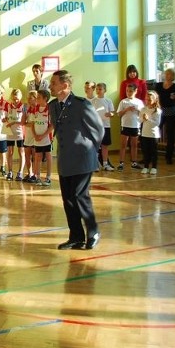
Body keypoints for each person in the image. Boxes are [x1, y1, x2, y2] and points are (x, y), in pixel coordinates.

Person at [48, 70, 103, 250]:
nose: (50, 86)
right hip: (65, 159)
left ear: (65, 85)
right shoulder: (53, 106)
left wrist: (91, 152)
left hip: (82, 158)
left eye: (54, 83)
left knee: (80, 196)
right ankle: (76, 237)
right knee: (68, 199)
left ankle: (93, 232)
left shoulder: (81, 105)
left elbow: (98, 130)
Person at [116, 84, 144, 171]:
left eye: (131, 91)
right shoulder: (123, 102)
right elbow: (119, 114)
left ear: (135, 91)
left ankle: (134, 162)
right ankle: (121, 163)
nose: (128, 93)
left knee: (134, 145)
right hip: (125, 125)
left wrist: (138, 110)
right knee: (123, 145)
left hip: (135, 125)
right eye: (127, 91)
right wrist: (126, 109)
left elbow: (143, 114)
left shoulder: (139, 102)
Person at [154, 69, 175, 164]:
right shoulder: (159, 85)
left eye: (170, 74)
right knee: (153, 131)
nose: (168, 76)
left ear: (173, 77)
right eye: (166, 74)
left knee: (170, 134)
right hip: (159, 111)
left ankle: (169, 157)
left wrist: (174, 97)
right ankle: (152, 154)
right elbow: (155, 97)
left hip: (170, 112)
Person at [31, 89, 52, 186]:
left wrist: (43, 135)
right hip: (37, 138)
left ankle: (48, 178)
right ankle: (38, 177)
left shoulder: (50, 109)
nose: (36, 99)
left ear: (45, 99)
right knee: (37, 157)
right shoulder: (35, 109)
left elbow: (52, 125)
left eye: (39, 97)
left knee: (48, 157)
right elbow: (32, 124)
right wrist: (35, 135)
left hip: (47, 138)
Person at [93, 83, 116, 171]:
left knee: (105, 145)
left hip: (106, 126)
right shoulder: (93, 100)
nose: (98, 91)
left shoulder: (108, 100)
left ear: (105, 90)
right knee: (95, 146)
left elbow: (112, 113)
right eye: (97, 89)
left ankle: (105, 164)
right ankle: (95, 164)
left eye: (100, 89)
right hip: (96, 126)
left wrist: (110, 114)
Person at [5, 88, 26, 181]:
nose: (15, 101)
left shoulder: (23, 106)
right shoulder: (8, 106)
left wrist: (13, 122)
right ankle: (9, 172)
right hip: (10, 133)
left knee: (21, 152)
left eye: (17, 99)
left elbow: (23, 121)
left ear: (20, 97)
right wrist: (5, 120)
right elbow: (5, 117)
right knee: (10, 152)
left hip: (20, 133)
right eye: (13, 99)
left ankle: (20, 172)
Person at [139, 91, 162, 175]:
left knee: (153, 151)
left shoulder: (157, 111)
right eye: (146, 99)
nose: (147, 101)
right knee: (145, 151)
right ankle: (145, 166)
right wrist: (143, 118)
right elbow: (140, 120)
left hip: (153, 135)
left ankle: (154, 167)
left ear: (155, 100)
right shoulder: (143, 109)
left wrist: (148, 118)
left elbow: (156, 123)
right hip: (144, 133)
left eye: (149, 100)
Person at [22, 91, 38, 183]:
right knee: (27, 155)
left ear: (35, 98)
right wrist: (25, 111)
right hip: (28, 136)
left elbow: (35, 123)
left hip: (35, 136)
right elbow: (23, 122)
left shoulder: (38, 109)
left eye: (30, 98)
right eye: (27, 98)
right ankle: (29, 173)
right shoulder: (26, 109)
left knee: (35, 156)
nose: (28, 100)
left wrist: (30, 124)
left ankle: (35, 174)